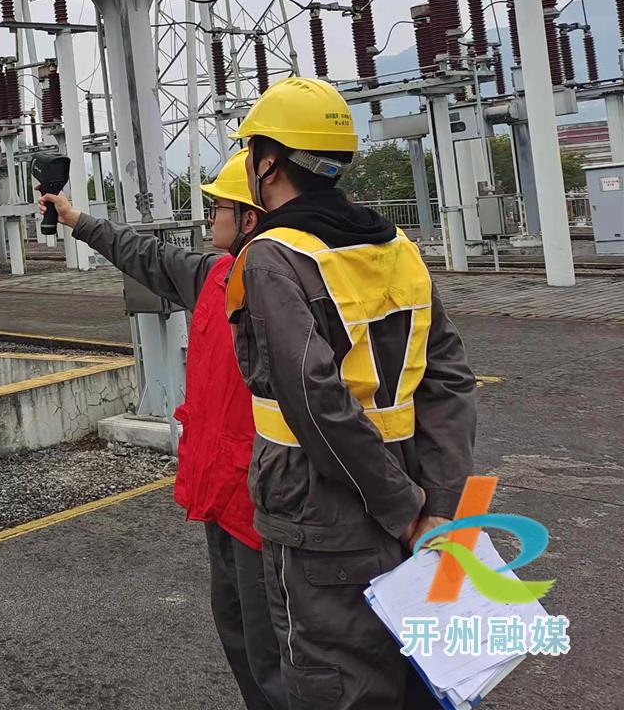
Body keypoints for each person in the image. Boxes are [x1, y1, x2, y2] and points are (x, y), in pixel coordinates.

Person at [46, 76, 477, 710]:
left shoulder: (272, 259)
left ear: (267, 164)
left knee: (328, 673)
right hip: (378, 490)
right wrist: (435, 501)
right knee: (397, 655)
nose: (216, 210)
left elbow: (315, 401)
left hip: (315, 504)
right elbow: (447, 380)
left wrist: (407, 507)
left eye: (226, 196)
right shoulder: (394, 247)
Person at [41, 150, 286, 710]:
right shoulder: (216, 274)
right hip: (220, 491)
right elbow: (146, 257)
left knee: (275, 644)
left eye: (219, 207)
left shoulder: (286, 287)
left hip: (265, 498)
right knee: (239, 631)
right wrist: (77, 220)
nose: (209, 218)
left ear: (250, 218)